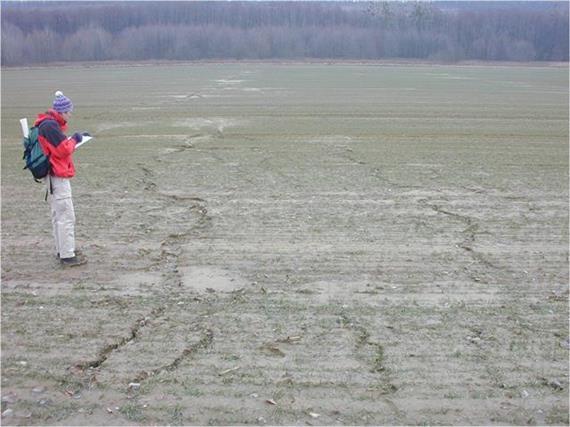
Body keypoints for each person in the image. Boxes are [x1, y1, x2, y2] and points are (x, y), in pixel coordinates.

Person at [35, 91, 87, 267]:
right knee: (66, 216)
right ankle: (67, 255)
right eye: (69, 111)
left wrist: (72, 139)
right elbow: (63, 150)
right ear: (62, 111)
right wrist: (75, 140)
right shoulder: (50, 126)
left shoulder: (47, 125)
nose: (70, 114)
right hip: (57, 177)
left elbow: (58, 147)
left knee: (59, 215)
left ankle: (62, 250)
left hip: (52, 177)